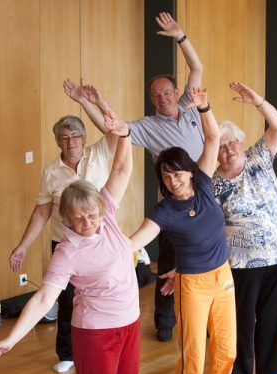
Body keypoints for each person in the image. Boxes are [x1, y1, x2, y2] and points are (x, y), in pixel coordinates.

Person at [0, 111, 139, 374]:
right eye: (78, 218)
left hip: (130, 323)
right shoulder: (67, 252)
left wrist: (122, 133)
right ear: (66, 219)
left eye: (91, 215)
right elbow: (42, 299)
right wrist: (13, 339)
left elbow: (122, 169)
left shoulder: (106, 215)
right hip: (97, 332)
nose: (88, 223)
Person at [69, 12, 205, 343]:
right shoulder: (147, 125)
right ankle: (164, 319)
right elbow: (111, 127)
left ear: (176, 93)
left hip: (205, 196)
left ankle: (205, 315)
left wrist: (180, 36)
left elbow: (197, 70)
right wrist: (92, 101)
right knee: (169, 259)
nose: (162, 98)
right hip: (173, 204)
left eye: (166, 92)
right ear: (152, 100)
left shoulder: (191, 108)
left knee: (207, 259)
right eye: (156, 95)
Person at [130, 87, 243, 374]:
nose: (173, 180)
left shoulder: (206, 184)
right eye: (166, 177)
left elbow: (211, 137)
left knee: (226, 350)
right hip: (192, 285)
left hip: (222, 276)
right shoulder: (164, 211)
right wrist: (110, 253)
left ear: (189, 172)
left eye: (178, 173)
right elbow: (137, 239)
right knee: (192, 355)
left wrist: (204, 105)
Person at [11, 82, 116, 373]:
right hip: (66, 243)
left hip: (99, 241)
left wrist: (87, 102)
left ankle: (99, 347)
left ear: (84, 140)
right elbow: (43, 211)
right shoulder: (51, 171)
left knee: (99, 297)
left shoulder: (99, 154)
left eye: (76, 137)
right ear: (58, 142)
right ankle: (67, 353)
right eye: (64, 138)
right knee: (67, 299)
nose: (71, 142)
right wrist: (23, 245)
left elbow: (113, 128)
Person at [214, 82, 277, 374]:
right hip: (242, 262)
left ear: (240, 142)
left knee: (274, 315)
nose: (229, 149)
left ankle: (268, 373)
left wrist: (258, 101)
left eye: (232, 142)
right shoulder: (213, 184)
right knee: (242, 320)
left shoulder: (258, 159)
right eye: (221, 146)